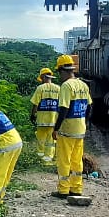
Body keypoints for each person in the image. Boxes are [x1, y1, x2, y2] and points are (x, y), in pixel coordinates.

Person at [53, 55, 92, 198]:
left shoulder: (66, 86)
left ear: (62, 70)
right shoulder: (83, 85)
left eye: (59, 72)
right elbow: (89, 108)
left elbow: (63, 109)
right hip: (80, 129)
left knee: (64, 160)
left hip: (67, 130)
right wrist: (84, 123)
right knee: (77, 160)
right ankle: (76, 188)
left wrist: (56, 128)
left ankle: (63, 190)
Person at [29, 68, 60, 165]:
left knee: (41, 140)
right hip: (53, 120)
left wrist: (32, 115)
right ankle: (48, 160)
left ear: (43, 77)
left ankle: (41, 159)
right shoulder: (58, 89)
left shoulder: (40, 88)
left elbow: (35, 104)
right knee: (50, 141)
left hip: (42, 120)